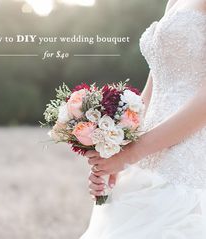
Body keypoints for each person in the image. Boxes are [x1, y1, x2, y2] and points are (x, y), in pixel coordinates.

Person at [80, 0, 206, 238]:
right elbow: (151, 91)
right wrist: (116, 150)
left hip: (189, 158)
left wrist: (132, 154)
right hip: (147, 156)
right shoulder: (175, 2)